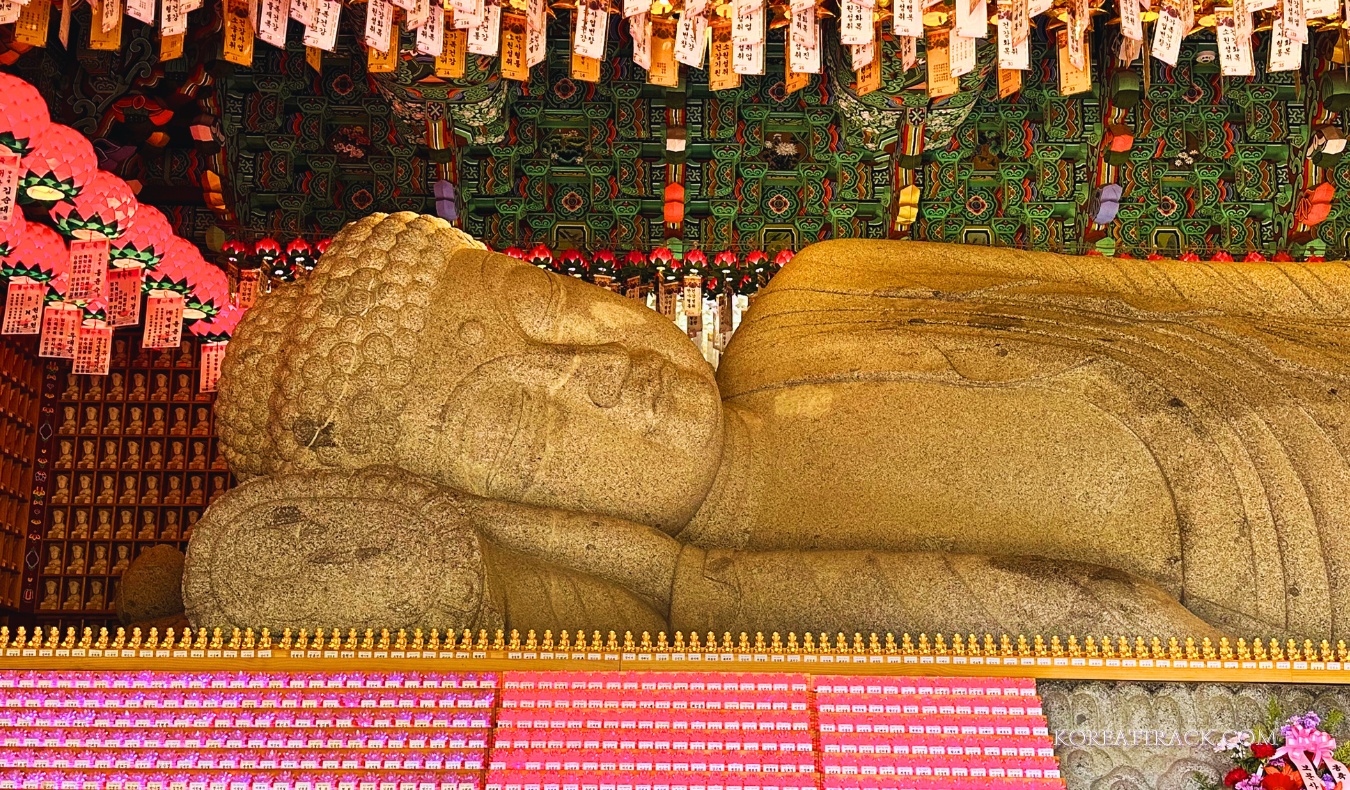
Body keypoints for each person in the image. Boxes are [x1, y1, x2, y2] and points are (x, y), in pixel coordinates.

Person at [200, 215, 1350, 638]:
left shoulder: (824, 295)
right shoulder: (735, 604)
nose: (595, 373)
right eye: (521, 425)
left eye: (552, 309)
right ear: (519, 509)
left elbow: (1199, 300)